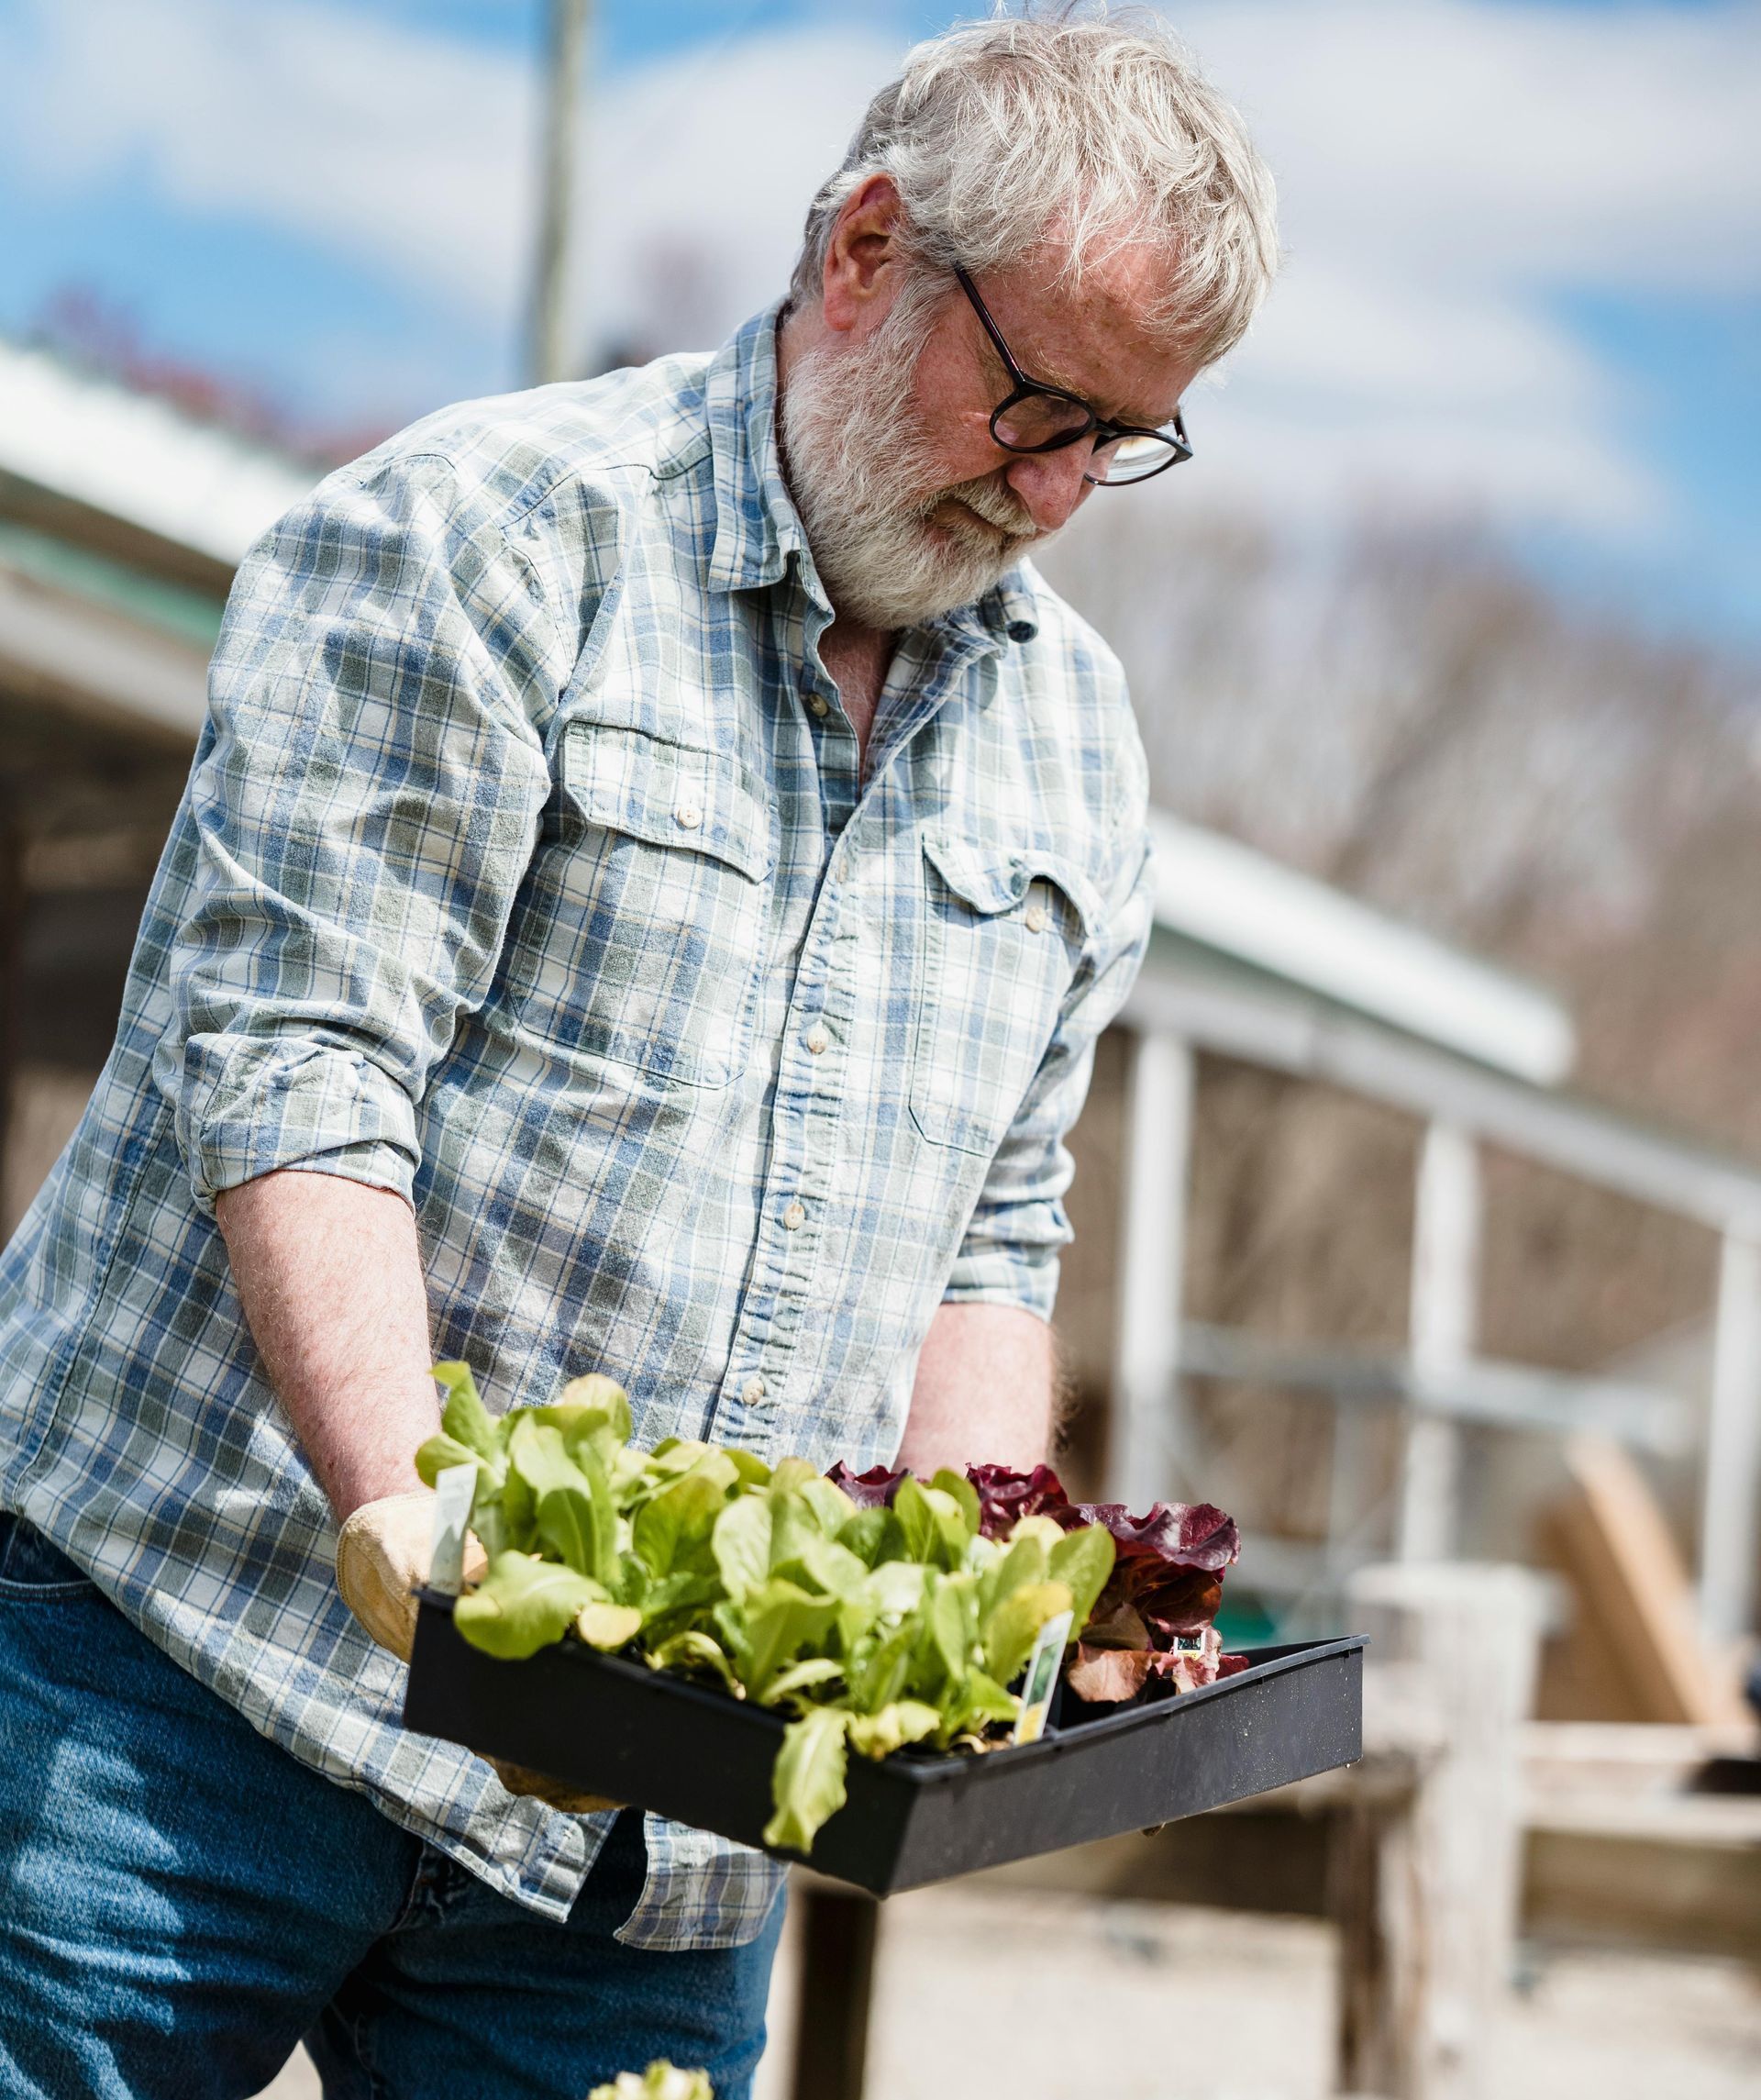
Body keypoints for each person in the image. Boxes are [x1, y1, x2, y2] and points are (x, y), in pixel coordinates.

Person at [0, 12, 1276, 2097]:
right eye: (1038, 395)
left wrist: (953, 1621)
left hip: (643, 1856)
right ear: (867, 247)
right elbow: (301, 1056)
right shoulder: (479, 539)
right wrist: (407, 1512)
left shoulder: (1078, 737)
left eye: (1122, 437)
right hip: (176, 1703)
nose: (1054, 489)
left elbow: (990, 1233)